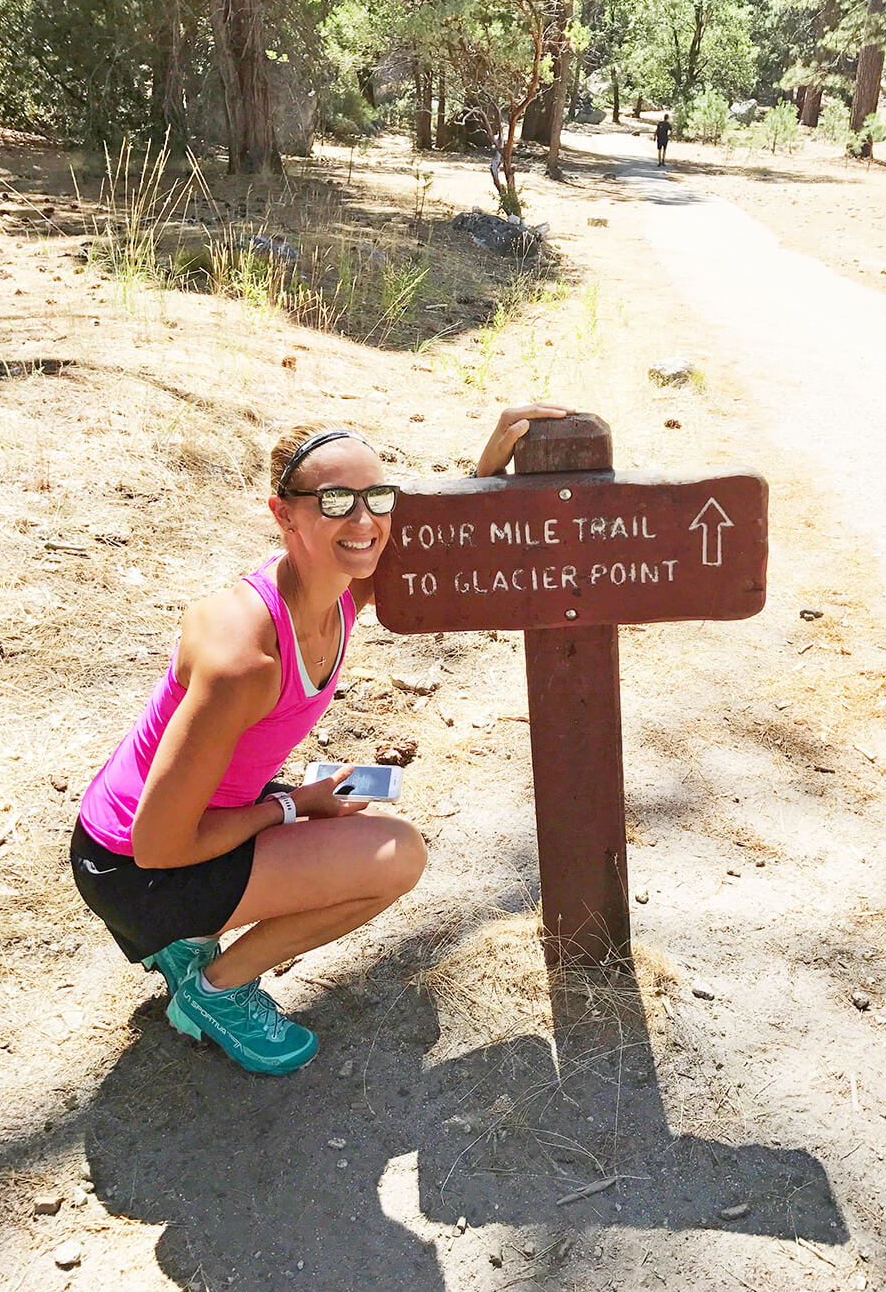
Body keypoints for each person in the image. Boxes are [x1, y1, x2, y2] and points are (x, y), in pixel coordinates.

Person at [71, 405, 569, 1075]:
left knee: (362, 823)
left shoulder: (336, 591)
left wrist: (487, 468)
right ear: (284, 515)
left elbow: (426, 543)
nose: (364, 522)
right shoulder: (244, 657)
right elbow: (159, 844)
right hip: (135, 867)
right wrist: (293, 807)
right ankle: (214, 990)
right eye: (336, 501)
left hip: (173, 829)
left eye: (378, 498)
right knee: (397, 857)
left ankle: (186, 938)